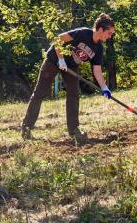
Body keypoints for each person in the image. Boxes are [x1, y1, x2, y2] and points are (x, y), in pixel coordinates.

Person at [21, 13, 115, 145]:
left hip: (71, 67)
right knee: (40, 93)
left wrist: (104, 87)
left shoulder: (98, 48)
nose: (110, 36)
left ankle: (74, 130)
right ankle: (26, 128)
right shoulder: (83, 33)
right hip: (54, 60)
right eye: (109, 33)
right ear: (100, 29)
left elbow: (97, 70)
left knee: (74, 94)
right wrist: (60, 59)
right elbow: (58, 39)